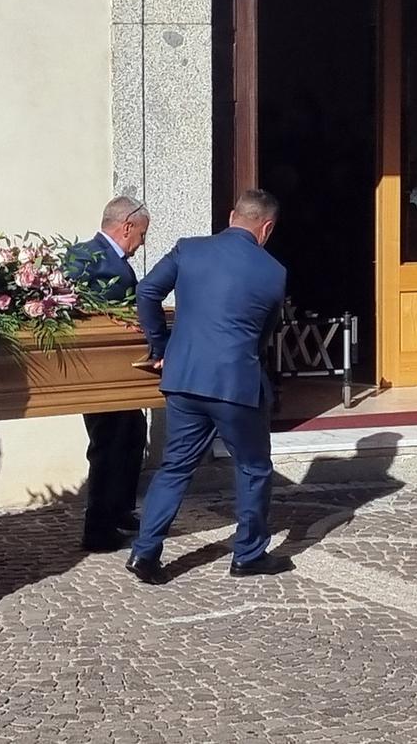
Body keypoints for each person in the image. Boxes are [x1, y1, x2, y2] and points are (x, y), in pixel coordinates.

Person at [126, 189, 292, 584]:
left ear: (232, 215)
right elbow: (264, 336)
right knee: (253, 468)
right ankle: (248, 555)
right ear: (266, 228)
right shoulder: (274, 272)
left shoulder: (189, 250)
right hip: (236, 383)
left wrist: (159, 344)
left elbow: (146, 291)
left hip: (183, 378)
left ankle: (145, 553)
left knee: (175, 467)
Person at [64, 196, 152, 552]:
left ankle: (119, 509)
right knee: (107, 445)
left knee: (133, 434)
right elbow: (73, 301)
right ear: (127, 226)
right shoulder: (87, 256)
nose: (142, 242)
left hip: (121, 373)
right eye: (142, 233)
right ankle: (97, 528)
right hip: (100, 374)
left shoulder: (108, 258)